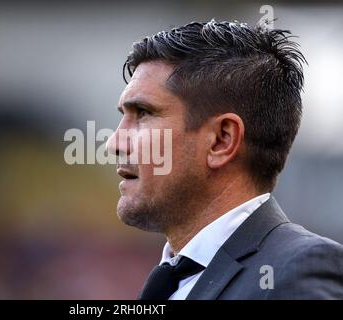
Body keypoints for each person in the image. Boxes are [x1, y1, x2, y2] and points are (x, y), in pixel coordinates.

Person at [106, 20, 343, 299]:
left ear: (221, 140)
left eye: (143, 113)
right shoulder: (173, 280)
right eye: (124, 115)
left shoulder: (297, 270)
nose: (114, 143)